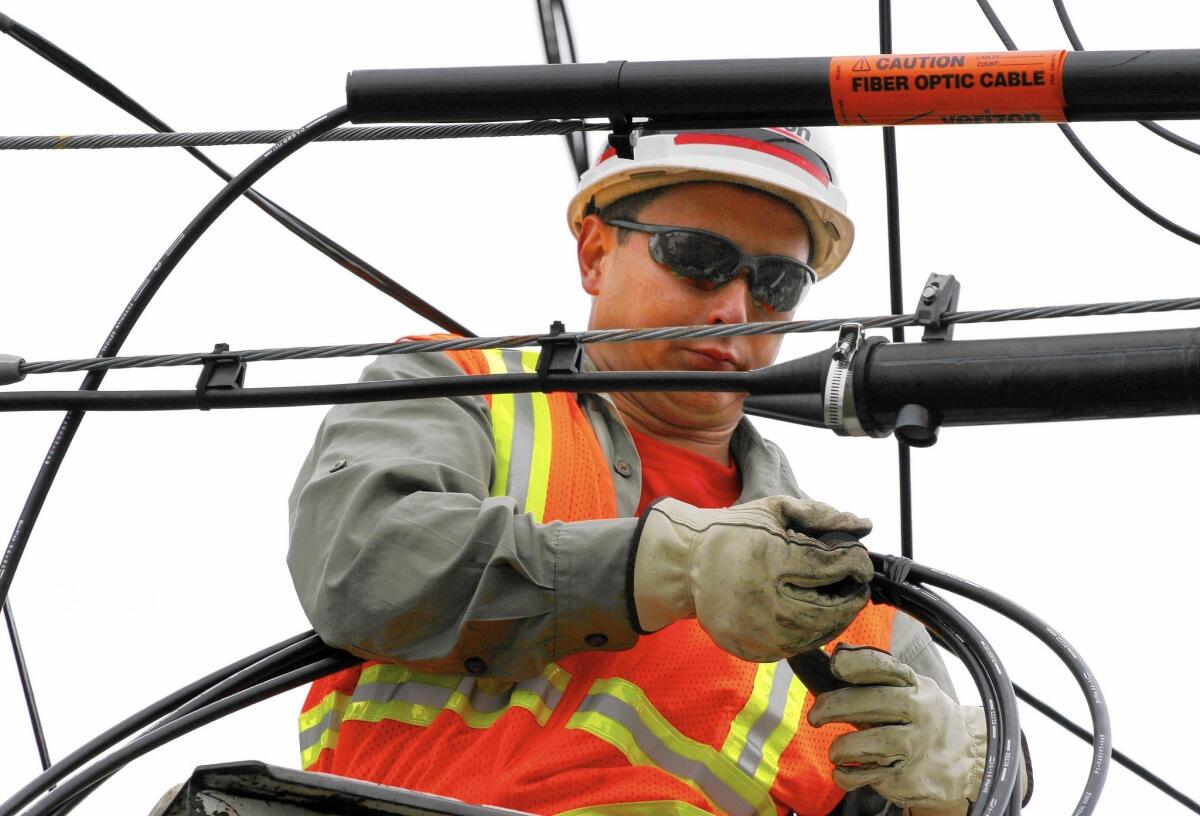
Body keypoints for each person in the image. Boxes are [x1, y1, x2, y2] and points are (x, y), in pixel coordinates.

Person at [289, 127, 1018, 816]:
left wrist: (963, 774)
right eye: (696, 257)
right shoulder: (463, 389)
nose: (733, 308)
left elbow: (989, 782)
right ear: (595, 253)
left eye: (777, 284)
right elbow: (361, 560)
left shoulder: (850, 598)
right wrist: (669, 564)